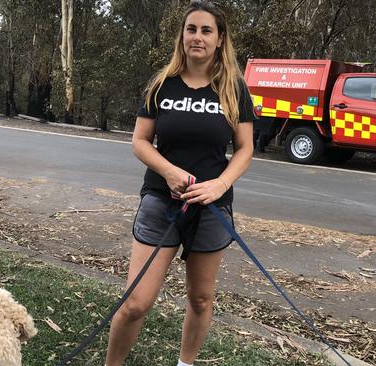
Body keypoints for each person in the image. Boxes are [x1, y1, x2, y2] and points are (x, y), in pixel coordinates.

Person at [104, 1, 255, 365]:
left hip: (211, 209)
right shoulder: (162, 84)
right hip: (161, 202)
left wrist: (219, 185)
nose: (197, 37)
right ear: (182, 35)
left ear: (220, 39)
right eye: (191, 29)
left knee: (201, 299)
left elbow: (245, 148)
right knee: (136, 303)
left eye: (206, 31)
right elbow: (140, 141)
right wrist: (169, 171)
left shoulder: (234, 88)